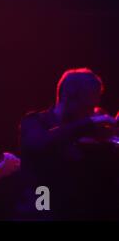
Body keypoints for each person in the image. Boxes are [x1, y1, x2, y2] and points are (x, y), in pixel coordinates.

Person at [20, 68, 118, 219]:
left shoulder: (89, 132)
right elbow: (40, 143)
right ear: (67, 96)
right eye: (87, 105)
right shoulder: (35, 122)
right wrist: (88, 123)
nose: (92, 111)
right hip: (40, 208)